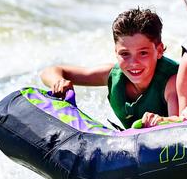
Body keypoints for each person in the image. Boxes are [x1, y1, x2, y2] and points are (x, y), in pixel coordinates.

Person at [40, 8, 179, 128]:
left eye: (143, 53)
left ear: (159, 50)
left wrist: (163, 121)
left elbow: (180, 123)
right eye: (125, 54)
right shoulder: (112, 75)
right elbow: (50, 71)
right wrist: (58, 81)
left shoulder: (173, 81)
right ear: (116, 52)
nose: (133, 63)